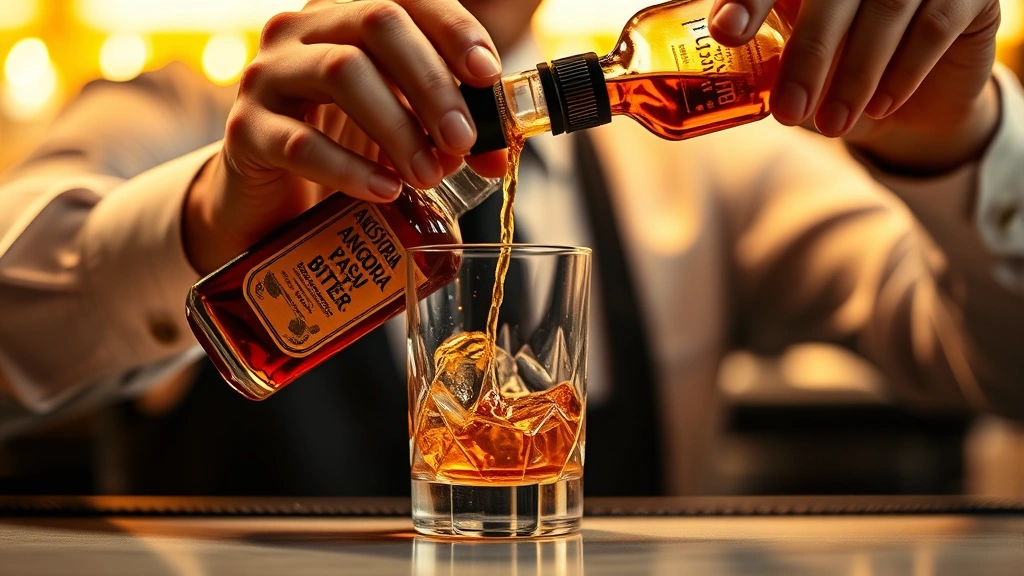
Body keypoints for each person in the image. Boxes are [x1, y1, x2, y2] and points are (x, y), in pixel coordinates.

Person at [0, 0, 1022, 495]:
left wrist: (952, 136)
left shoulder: (706, 160)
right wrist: (202, 218)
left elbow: (992, 368)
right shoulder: (179, 113)